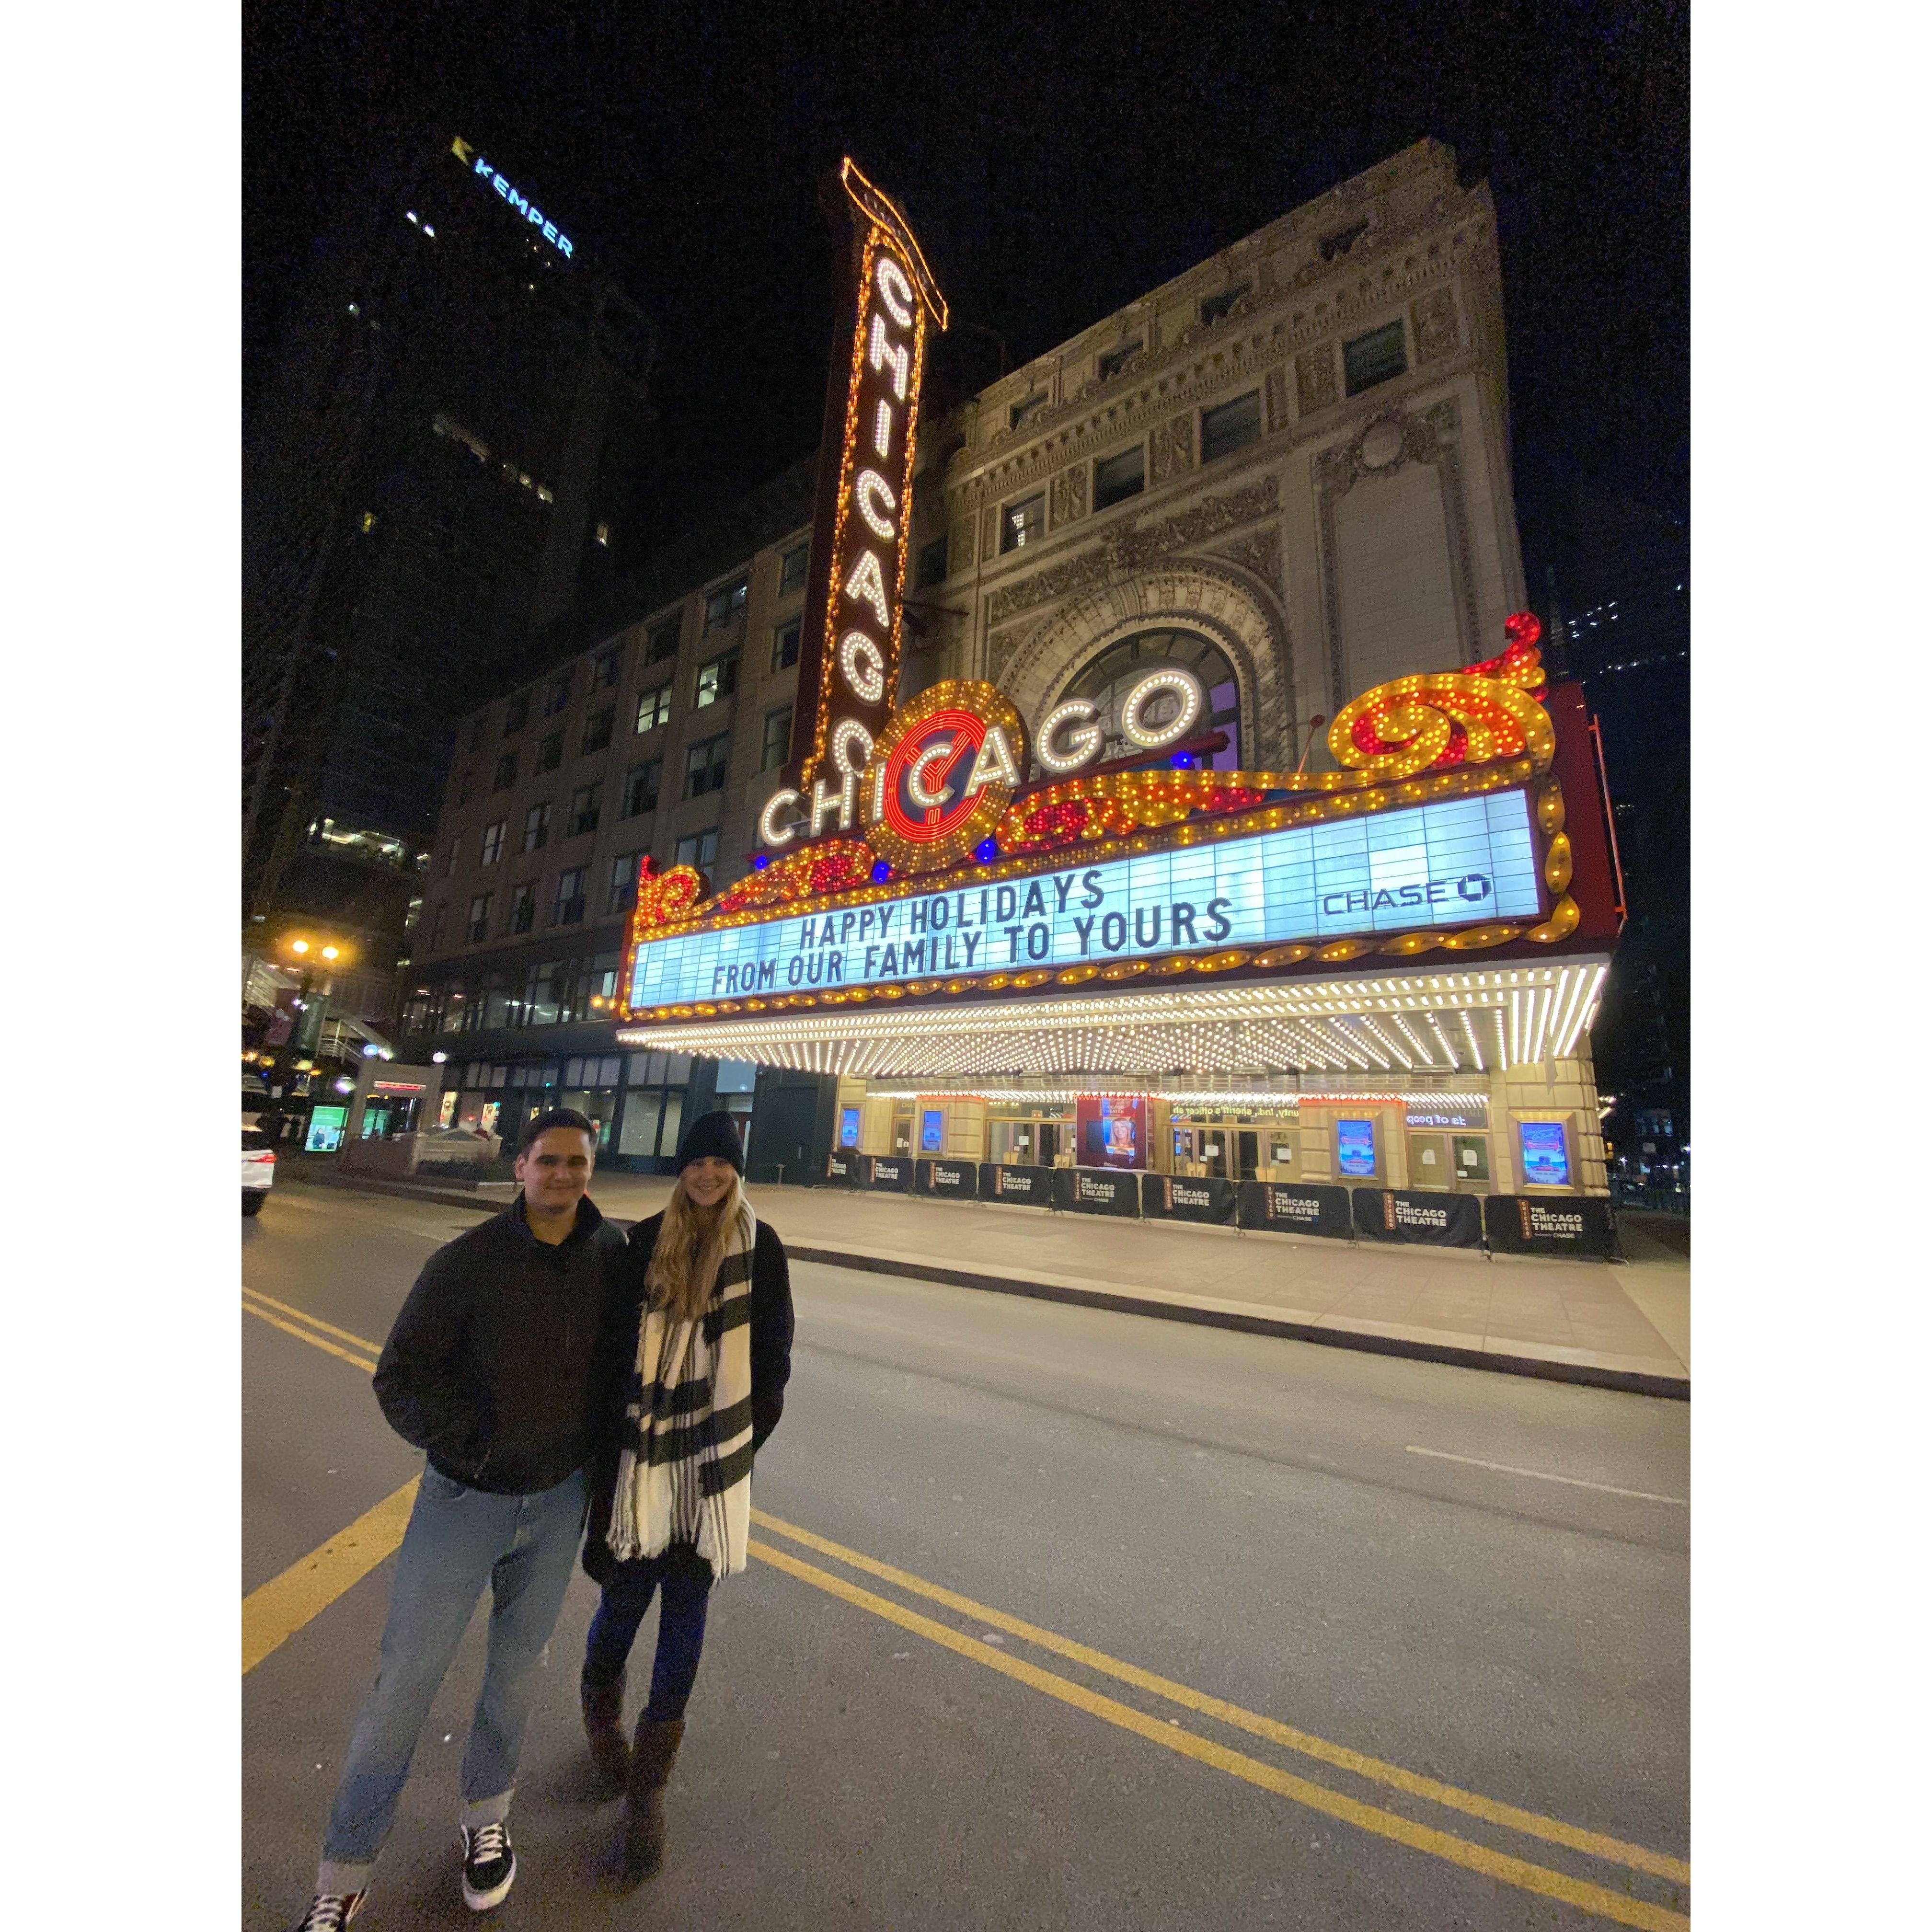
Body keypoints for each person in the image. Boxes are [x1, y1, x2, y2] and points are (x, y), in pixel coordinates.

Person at [288, 1109, 627, 1931]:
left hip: (558, 1502)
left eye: (577, 1163)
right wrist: (472, 1443)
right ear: (520, 1167)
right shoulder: (466, 1262)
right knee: (406, 1682)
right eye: (548, 1161)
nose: (563, 1176)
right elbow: (399, 1378)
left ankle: (486, 1819)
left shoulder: (612, 1255)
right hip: (464, 1503)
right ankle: (345, 1873)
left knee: (515, 1677)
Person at [578, 1110, 795, 1883]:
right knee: (623, 1602)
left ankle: (649, 1786)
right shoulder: (643, 1243)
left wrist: (731, 1455)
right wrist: (615, 1459)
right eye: (696, 1162)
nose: (708, 1174)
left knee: (686, 1616)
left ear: (738, 1170)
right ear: (681, 1170)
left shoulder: (762, 1248)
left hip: (711, 1471)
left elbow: (773, 1363)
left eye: (720, 1163)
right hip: (642, 1465)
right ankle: (602, 1723)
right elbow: (609, 1356)